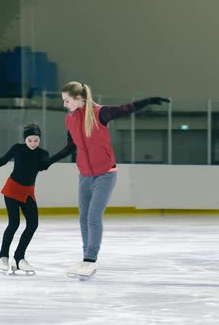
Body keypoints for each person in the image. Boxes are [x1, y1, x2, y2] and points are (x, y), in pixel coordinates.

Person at [44, 81, 169, 278]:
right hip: (84, 175)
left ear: (78, 99)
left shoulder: (100, 113)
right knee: (83, 219)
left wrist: (150, 100)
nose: (65, 104)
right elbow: (70, 147)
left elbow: (125, 109)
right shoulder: (70, 120)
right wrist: (49, 162)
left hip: (105, 174)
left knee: (93, 217)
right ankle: (86, 258)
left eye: (67, 100)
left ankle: (90, 260)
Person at [0, 123, 49, 275]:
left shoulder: (42, 153)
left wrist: (60, 154)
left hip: (28, 192)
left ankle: (19, 258)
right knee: (14, 223)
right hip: (12, 190)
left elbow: (46, 162)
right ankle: (3, 256)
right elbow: (4, 159)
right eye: (30, 140)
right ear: (25, 139)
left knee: (33, 224)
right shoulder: (18, 148)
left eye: (36, 140)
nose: (33, 143)